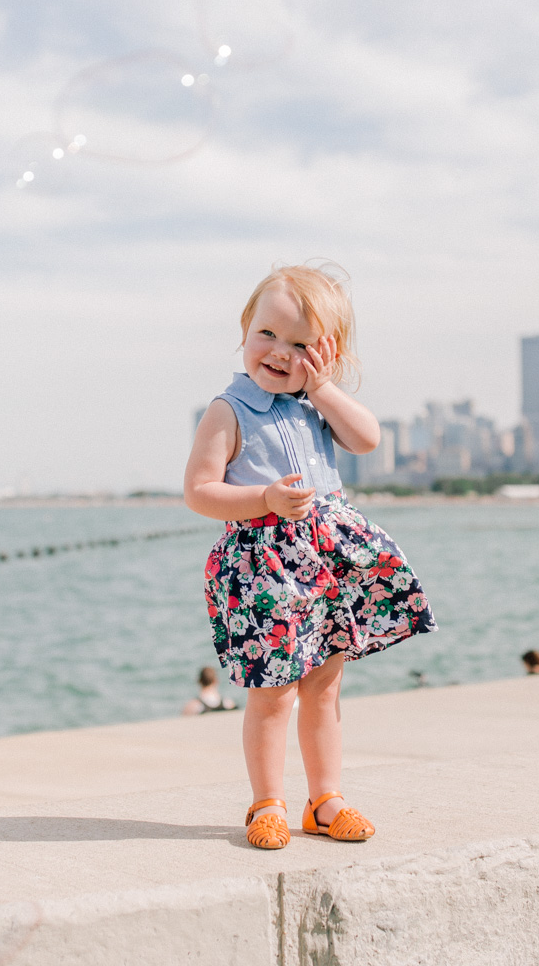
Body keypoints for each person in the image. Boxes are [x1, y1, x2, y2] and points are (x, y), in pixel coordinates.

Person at [184, 262, 437, 851]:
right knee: (273, 689)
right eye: (267, 334)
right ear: (245, 328)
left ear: (326, 354)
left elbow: (367, 438)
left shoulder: (315, 404)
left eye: (300, 344)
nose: (278, 352)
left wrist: (321, 388)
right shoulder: (229, 410)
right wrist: (263, 498)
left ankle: (325, 799)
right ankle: (266, 803)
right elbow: (200, 491)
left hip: (324, 562)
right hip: (267, 566)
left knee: (325, 684)